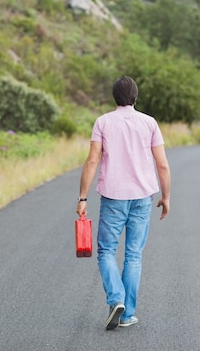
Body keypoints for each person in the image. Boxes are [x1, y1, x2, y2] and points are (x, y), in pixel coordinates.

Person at [76, 75, 171, 330]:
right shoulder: (149, 123)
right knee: (133, 255)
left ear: (114, 97)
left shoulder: (103, 122)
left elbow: (92, 160)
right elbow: (161, 163)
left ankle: (115, 298)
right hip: (143, 197)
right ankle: (127, 313)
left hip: (113, 197)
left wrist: (83, 197)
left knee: (106, 251)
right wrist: (166, 196)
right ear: (135, 96)